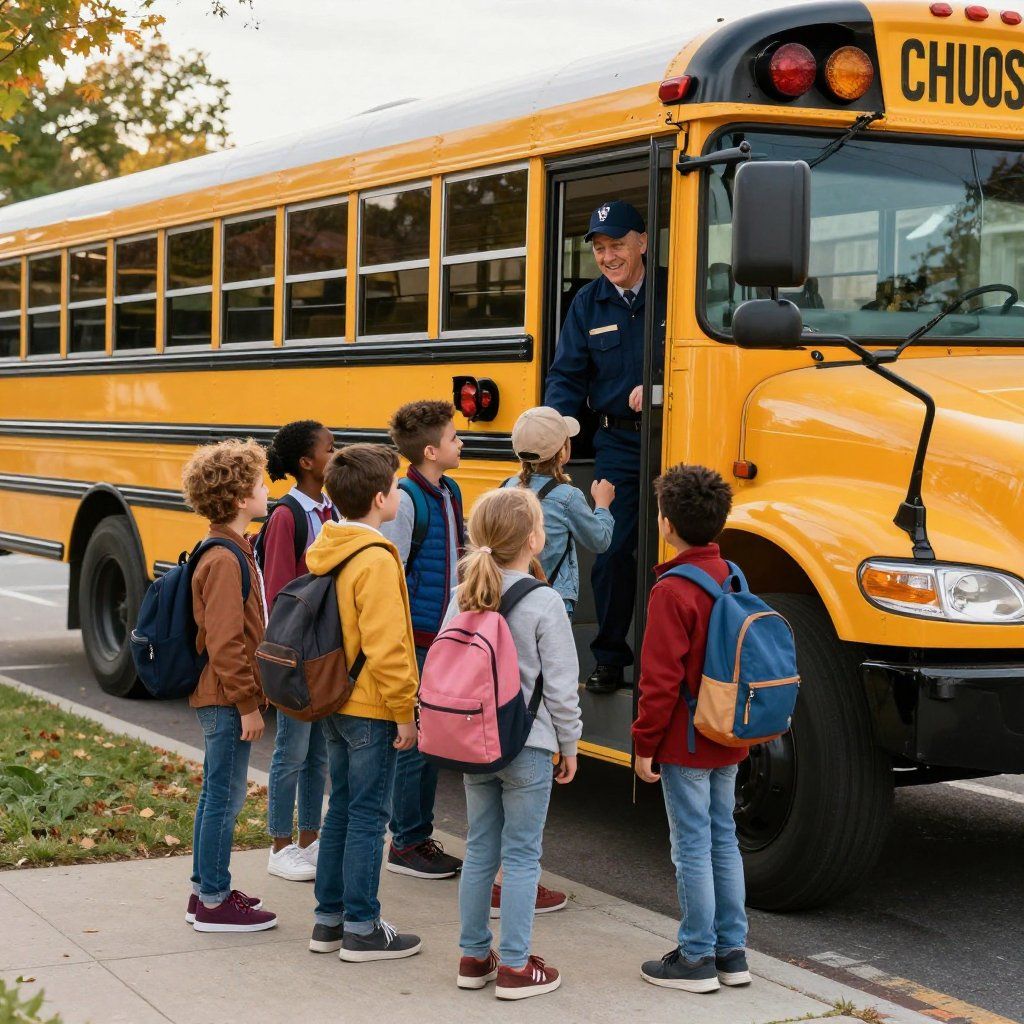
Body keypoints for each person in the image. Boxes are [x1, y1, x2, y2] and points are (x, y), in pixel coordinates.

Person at [443, 487, 582, 1001]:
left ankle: (474, 956)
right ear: (533, 539)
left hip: (474, 740)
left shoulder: (463, 593)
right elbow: (563, 689)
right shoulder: (545, 601)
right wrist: (570, 745)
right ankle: (518, 967)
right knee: (522, 857)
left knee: (480, 849)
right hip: (529, 743)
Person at [632, 464, 750, 992]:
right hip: (729, 732)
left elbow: (658, 682)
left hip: (685, 739)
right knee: (724, 840)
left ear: (666, 525)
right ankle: (732, 953)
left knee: (691, 846)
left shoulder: (671, 591)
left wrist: (643, 744)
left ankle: (696, 956)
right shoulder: (734, 576)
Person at [305, 443, 422, 962]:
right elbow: (388, 645)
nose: (399, 493)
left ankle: (328, 921)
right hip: (372, 707)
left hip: (334, 698)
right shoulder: (375, 557)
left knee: (342, 811)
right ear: (380, 498)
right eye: (396, 486)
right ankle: (362, 926)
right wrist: (406, 710)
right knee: (370, 817)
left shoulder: (330, 544)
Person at [544, 199, 665, 694]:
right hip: (617, 441)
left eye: (617, 244)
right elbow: (567, 374)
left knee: (676, 548)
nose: (608, 256)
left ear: (642, 242)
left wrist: (658, 386)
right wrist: (555, 430)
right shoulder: (587, 303)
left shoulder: (676, 289)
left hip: (681, 434)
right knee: (613, 548)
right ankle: (612, 656)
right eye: (599, 247)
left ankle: (673, 663)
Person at [181, 438, 277, 933]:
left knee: (218, 794)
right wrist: (248, 704)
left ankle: (205, 892)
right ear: (240, 498)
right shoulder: (223, 559)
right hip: (224, 698)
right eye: (260, 483)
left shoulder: (234, 548)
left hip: (223, 696)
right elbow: (224, 642)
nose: (268, 489)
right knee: (223, 796)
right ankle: (215, 901)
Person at [380, 400, 465, 880]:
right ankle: (407, 842)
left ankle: (417, 834)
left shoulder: (448, 491)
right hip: (416, 639)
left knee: (432, 740)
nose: (461, 443)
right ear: (431, 450)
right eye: (454, 438)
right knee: (414, 743)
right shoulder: (409, 498)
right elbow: (391, 572)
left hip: (444, 636)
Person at [260, 420, 336, 883]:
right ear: (307, 462)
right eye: (330, 448)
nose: (337, 453)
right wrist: (284, 659)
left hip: (326, 653)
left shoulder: (331, 509)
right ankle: (279, 844)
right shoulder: (288, 515)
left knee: (319, 755)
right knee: (291, 752)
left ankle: (309, 840)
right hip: (296, 656)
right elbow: (277, 594)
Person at [504, 406, 615, 618]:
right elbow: (600, 541)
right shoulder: (567, 497)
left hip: (511, 595)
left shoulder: (506, 487)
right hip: (551, 601)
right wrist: (602, 505)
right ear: (562, 451)